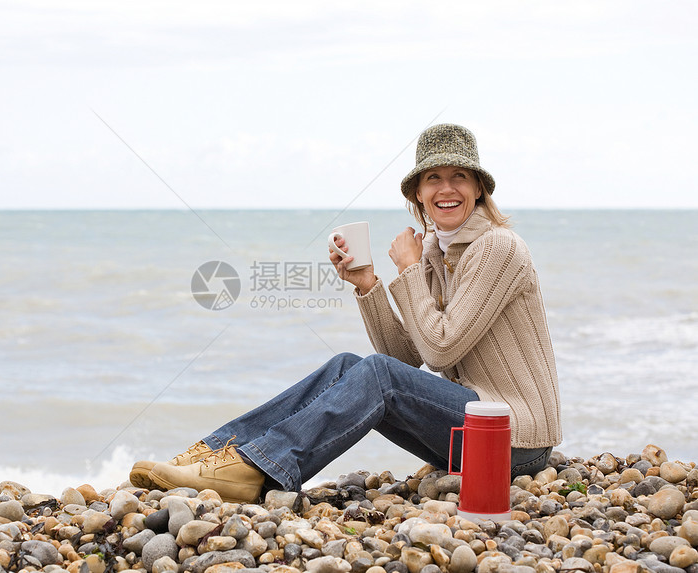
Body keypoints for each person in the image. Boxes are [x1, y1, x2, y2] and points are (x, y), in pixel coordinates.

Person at [129, 123, 562, 504]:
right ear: (418, 194)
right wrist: (369, 286)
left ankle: (257, 469)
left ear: (478, 189)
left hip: (514, 441)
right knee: (346, 366)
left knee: (376, 374)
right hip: (469, 431)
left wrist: (409, 270)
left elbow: (441, 350)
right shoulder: (436, 252)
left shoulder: (499, 248)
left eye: (459, 177)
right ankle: (216, 452)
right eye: (434, 178)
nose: (446, 188)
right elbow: (408, 355)